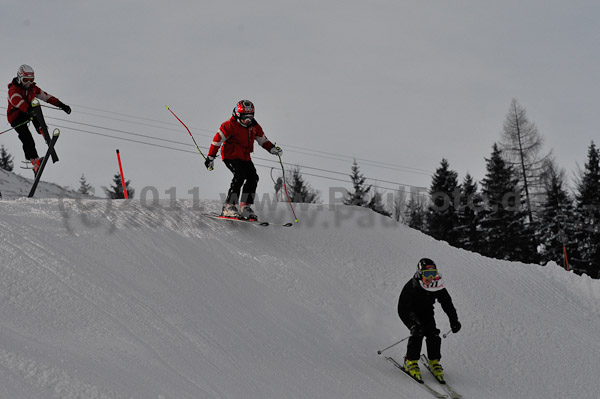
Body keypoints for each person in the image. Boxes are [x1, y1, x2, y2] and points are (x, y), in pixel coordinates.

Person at [205, 100, 282, 220]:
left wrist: (272, 148)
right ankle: (229, 206)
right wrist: (210, 157)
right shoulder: (229, 126)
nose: (247, 120)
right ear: (237, 114)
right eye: (245, 117)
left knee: (253, 177)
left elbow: (263, 140)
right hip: (231, 156)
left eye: (250, 117)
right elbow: (216, 141)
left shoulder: (254, 126)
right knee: (240, 175)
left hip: (245, 157)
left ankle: (245, 206)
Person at [397, 258, 461, 383]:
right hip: (411, 313)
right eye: (427, 274)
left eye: (434, 273)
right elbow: (402, 309)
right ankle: (410, 360)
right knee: (418, 332)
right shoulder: (412, 286)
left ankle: (434, 360)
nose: (431, 277)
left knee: (433, 333)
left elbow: (447, 303)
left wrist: (454, 320)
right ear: (420, 273)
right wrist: (411, 325)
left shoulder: (436, 285)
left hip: (427, 312)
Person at [7, 64, 71, 174]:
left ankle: (42, 130)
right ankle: (34, 161)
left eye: (31, 80)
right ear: (19, 78)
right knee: (26, 136)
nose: (28, 83)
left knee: (36, 108)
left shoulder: (33, 89)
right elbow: (17, 101)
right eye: (25, 80)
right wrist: (28, 110)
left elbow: (46, 97)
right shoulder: (13, 89)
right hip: (16, 116)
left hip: (28, 112)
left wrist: (62, 105)